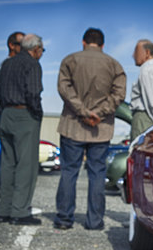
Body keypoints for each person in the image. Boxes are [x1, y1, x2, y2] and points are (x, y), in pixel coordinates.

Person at [54, 28, 126, 230]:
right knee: (96, 175)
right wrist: (99, 113)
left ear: (83, 42)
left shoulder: (70, 60)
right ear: (103, 45)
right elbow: (119, 94)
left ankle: (64, 220)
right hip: (100, 129)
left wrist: (82, 111)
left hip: (73, 126)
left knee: (69, 172)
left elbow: (64, 89)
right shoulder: (114, 64)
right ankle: (94, 221)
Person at [0, 33, 44, 225]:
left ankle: (4, 210)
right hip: (24, 115)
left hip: (6, 113)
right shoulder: (32, 64)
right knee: (26, 165)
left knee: (8, 164)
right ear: (36, 49)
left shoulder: (7, 64)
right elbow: (33, 93)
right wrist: (37, 113)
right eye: (42, 50)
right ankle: (20, 211)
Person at [0, 31, 24, 132]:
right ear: (11, 45)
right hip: (5, 114)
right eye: (21, 45)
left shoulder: (23, 65)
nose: (24, 48)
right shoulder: (5, 66)